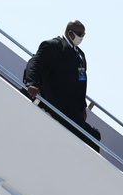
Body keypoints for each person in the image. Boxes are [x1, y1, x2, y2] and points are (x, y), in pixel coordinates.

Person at [23, 21, 102, 150]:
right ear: (70, 33)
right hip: (56, 103)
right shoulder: (53, 46)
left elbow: (82, 81)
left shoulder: (80, 55)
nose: (82, 38)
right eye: (79, 34)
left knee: (95, 136)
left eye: (84, 34)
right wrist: (31, 84)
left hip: (73, 109)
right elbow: (34, 63)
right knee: (88, 139)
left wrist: (83, 107)